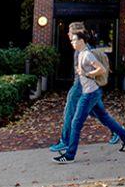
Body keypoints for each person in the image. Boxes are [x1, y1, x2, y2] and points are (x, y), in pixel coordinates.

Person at [52, 30, 125, 164]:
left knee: (76, 123)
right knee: (104, 117)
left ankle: (70, 155)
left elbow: (101, 69)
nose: (72, 42)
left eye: (74, 40)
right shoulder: (80, 54)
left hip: (89, 94)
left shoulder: (86, 55)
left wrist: (88, 74)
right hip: (92, 92)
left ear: (81, 41)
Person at [49, 23, 119, 152]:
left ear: (79, 33)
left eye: (71, 32)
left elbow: (96, 69)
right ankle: (118, 132)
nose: (69, 34)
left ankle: (65, 141)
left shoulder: (86, 50)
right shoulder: (80, 49)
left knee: (69, 111)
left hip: (81, 86)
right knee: (99, 113)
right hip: (88, 87)